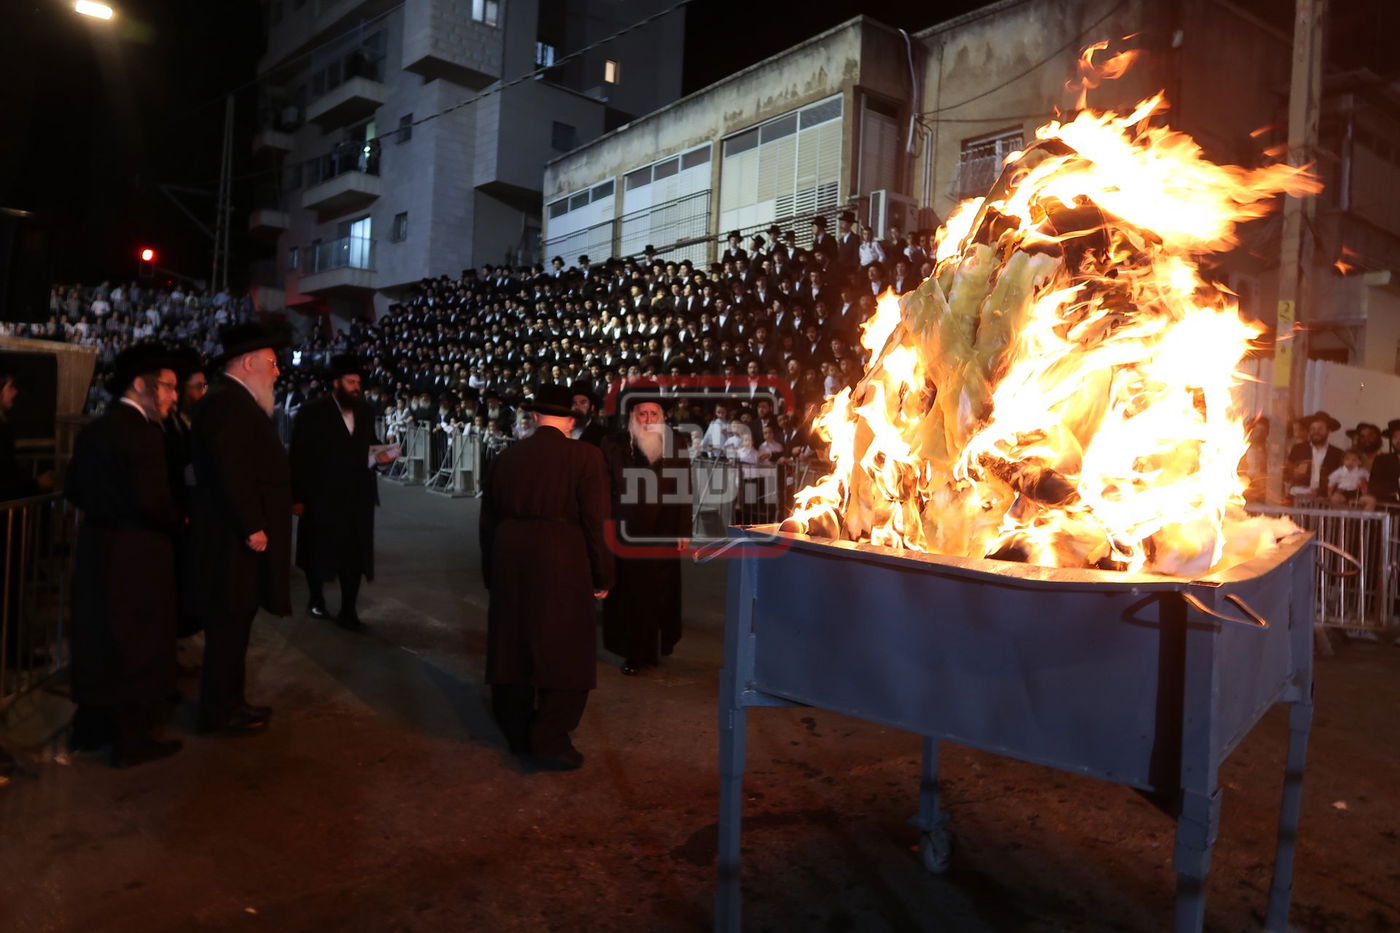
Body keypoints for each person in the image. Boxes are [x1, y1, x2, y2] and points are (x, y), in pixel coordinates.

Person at [479, 383, 613, 770]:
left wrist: (491, 571)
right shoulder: (585, 457)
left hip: (510, 554)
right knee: (564, 645)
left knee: (512, 641)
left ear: (535, 417)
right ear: (570, 420)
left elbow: (487, 522)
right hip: (562, 554)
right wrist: (603, 574)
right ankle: (550, 736)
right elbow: (596, 521)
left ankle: (516, 730)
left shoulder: (506, 457)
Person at [64, 342, 184, 766]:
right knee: (137, 643)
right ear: (140, 385)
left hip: (99, 550)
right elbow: (154, 502)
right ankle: (132, 741)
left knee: (100, 640)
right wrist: (181, 521)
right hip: (139, 556)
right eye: (168, 387)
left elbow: (73, 489)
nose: (174, 396)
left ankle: (91, 729)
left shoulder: (98, 429)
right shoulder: (144, 434)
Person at [189, 323, 292, 737]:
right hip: (231, 542)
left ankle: (231, 702)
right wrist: (252, 525)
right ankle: (219, 711)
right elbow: (232, 470)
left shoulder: (231, 401)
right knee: (227, 629)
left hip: (234, 539)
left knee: (235, 628)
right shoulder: (229, 404)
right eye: (272, 363)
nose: (278, 372)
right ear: (249, 363)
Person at [291, 355, 389, 630]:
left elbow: (370, 445)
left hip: (358, 496)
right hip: (321, 496)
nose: (356, 387)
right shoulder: (313, 411)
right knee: (318, 550)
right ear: (336, 383)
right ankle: (316, 599)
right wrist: (297, 497)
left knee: (354, 555)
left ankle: (349, 611)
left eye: (358, 382)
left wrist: (381, 454)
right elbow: (298, 456)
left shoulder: (366, 412)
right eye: (351, 381)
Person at [601, 385, 692, 676]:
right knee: (629, 595)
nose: (648, 418)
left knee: (659, 593)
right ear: (633, 415)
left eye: (654, 413)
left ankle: (654, 649)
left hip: (663, 530)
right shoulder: (613, 444)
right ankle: (633, 653)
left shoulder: (675, 443)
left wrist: (682, 529)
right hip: (625, 530)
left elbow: (684, 488)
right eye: (643, 413)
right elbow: (603, 489)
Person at [1286, 411, 1343, 501]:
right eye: (1312, 429)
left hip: (1324, 500)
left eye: (1320, 429)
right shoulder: (1298, 449)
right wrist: (1295, 474)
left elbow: (1341, 480)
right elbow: (1286, 473)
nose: (1316, 432)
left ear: (1328, 431)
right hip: (1298, 497)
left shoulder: (1337, 454)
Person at [1368, 420, 1400, 506]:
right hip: (1386, 507)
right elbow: (1373, 487)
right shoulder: (1381, 460)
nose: (1398, 441)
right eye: (1395, 437)